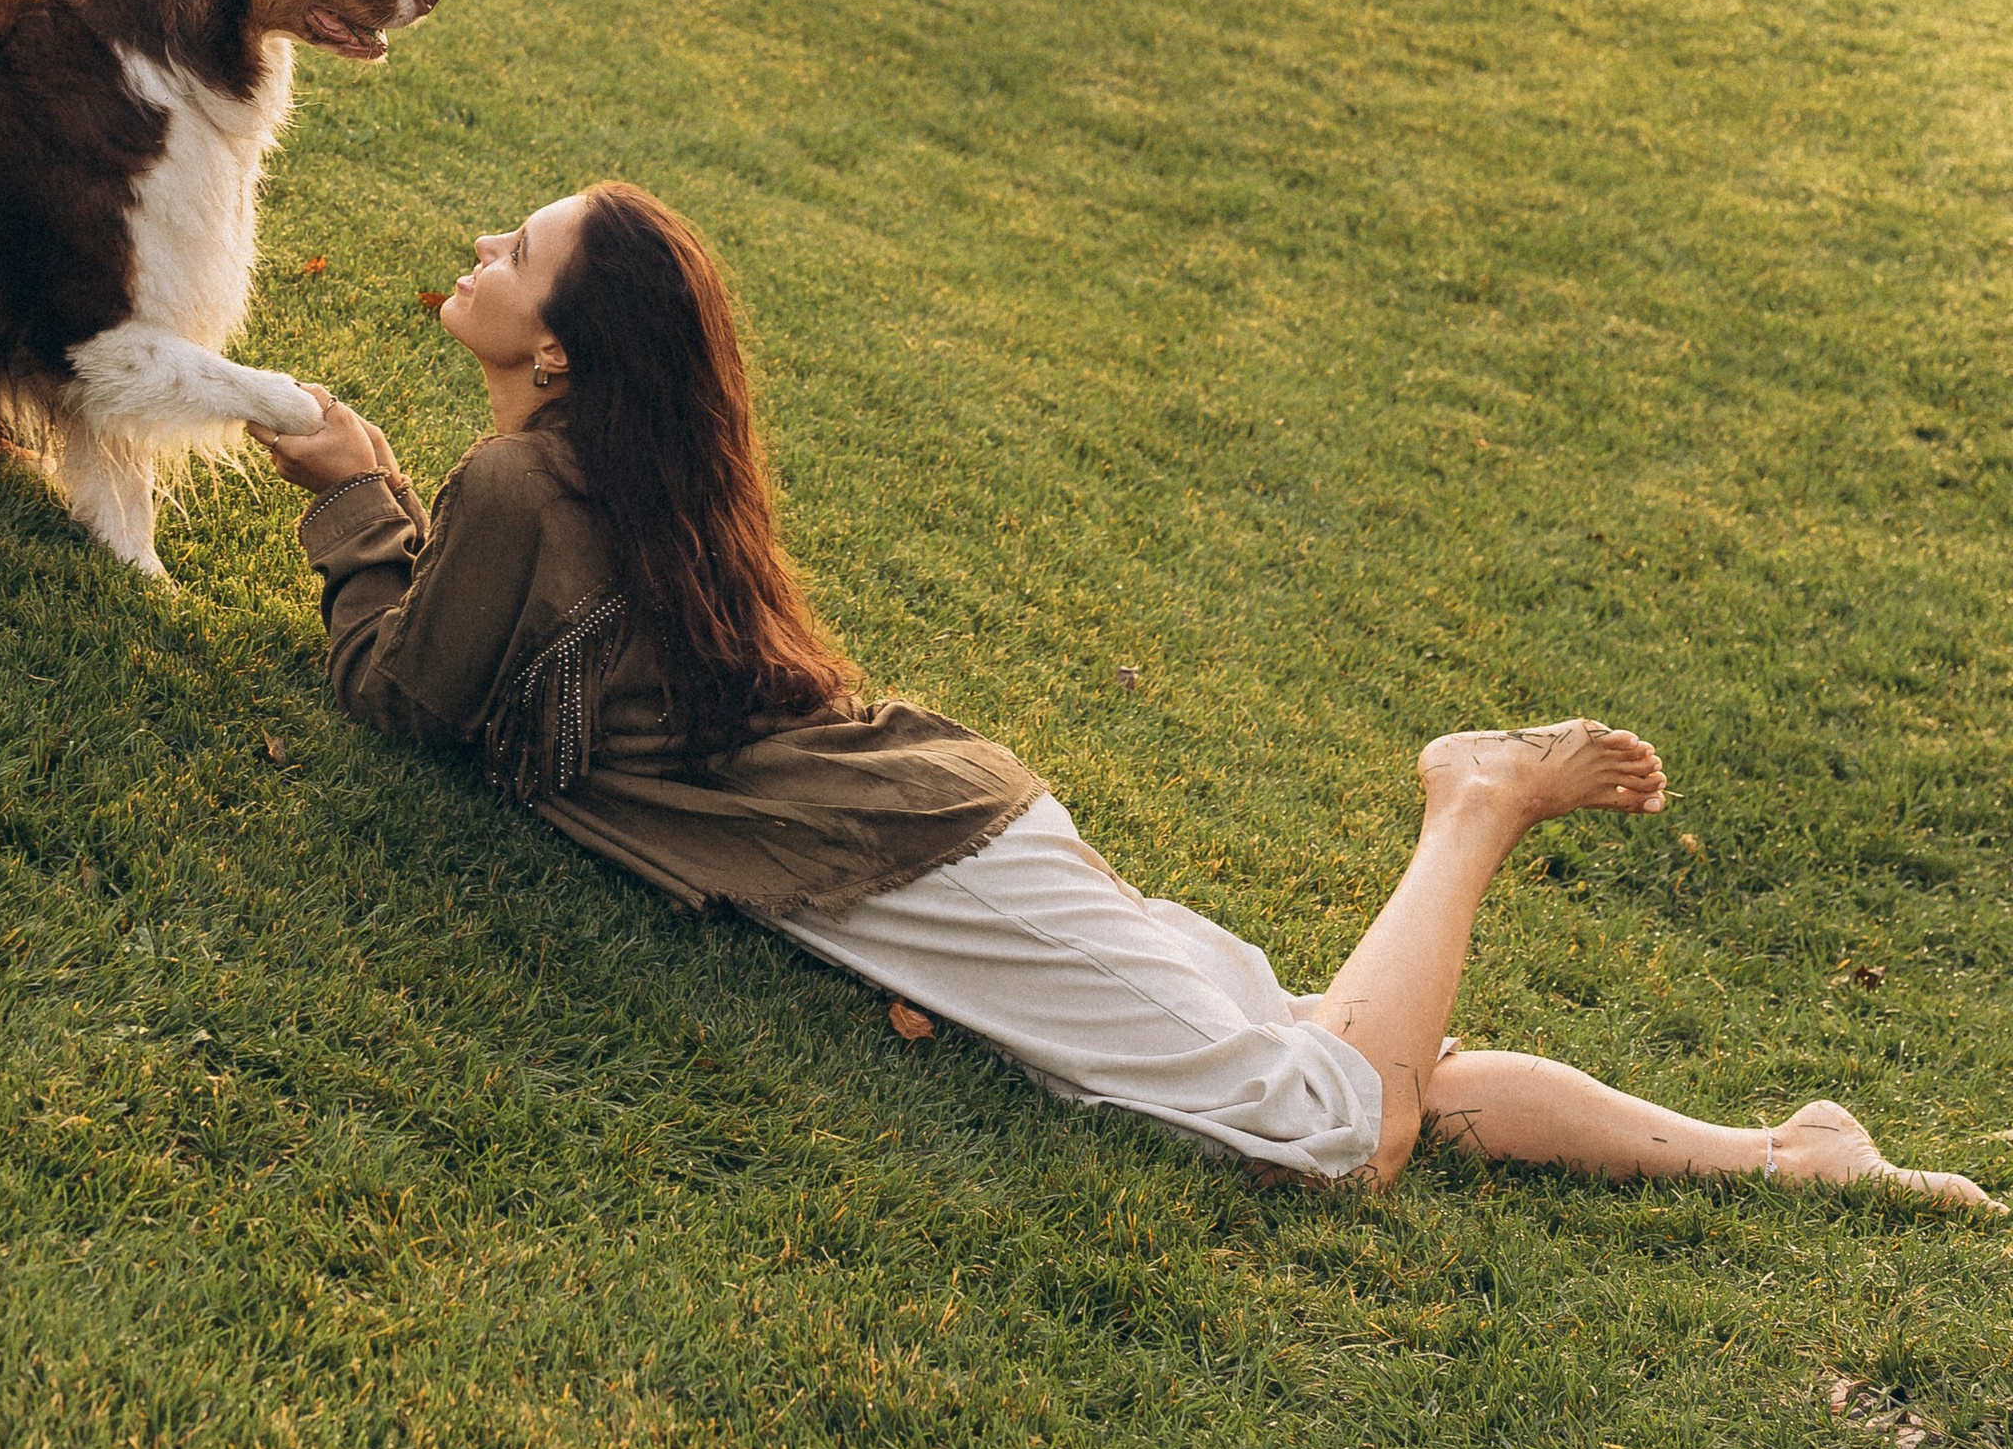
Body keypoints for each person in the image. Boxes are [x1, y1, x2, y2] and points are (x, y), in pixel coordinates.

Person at [252, 185, 1998, 1209]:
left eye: (522, 245)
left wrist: (347, 490)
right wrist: (396, 499)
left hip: (918, 876)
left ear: (558, 349)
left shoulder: (519, 489)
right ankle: (1788, 1158)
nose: (481, 240)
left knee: (1336, 1132)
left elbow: (402, 699)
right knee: (1358, 1049)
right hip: (943, 835)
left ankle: (1471, 800)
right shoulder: (612, 477)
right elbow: (484, 681)